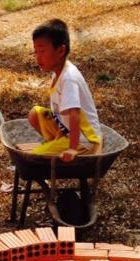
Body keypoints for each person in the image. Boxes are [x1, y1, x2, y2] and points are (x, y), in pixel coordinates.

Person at [28, 18, 102, 162]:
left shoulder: (69, 78)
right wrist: (61, 132)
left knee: (35, 157)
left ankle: (62, 147)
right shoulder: (57, 73)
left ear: (60, 50)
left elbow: (74, 116)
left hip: (84, 140)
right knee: (35, 114)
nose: (38, 57)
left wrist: (72, 148)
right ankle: (56, 144)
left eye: (42, 51)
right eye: (35, 52)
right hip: (69, 132)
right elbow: (62, 115)